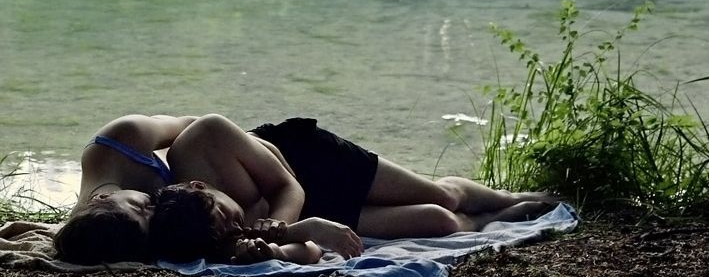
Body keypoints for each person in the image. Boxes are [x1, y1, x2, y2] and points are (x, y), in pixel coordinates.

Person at [148, 115, 555, 264]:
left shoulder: (202, 139)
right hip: (307, 211)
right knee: (440, 221)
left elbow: (286, 185)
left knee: (440, 196)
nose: (236, 222)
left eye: (228, 212)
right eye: (229, 226)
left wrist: (282, 228)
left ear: (198, 185)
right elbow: (301, 251)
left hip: (304, 162)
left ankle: (508, 199)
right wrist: (279, 242)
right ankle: (494, 220)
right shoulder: (204, 230)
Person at [53, 114, 198, 264]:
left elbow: (195, 126)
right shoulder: (95, 239)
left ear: (103, 197)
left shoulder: (123, 136)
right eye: (151, 222)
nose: (154, 210)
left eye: (139, 207)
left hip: (166, 139)